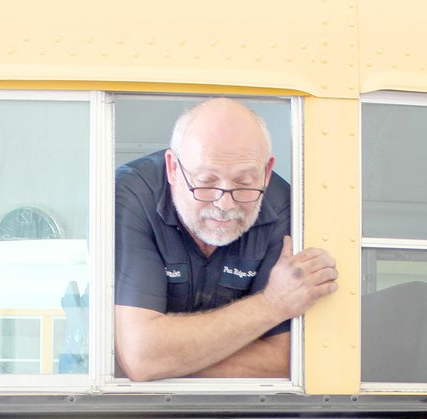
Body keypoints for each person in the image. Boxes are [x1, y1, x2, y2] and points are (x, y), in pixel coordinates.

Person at [114, 98, 338, 381]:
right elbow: (141, 357)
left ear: (267, 172)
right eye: (207, 182)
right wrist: (272, 304)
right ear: (173, 168)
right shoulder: (131, 195)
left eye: (244, 184)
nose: (225, 205)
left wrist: (170, 358)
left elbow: (288, 361)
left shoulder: (286, 207)